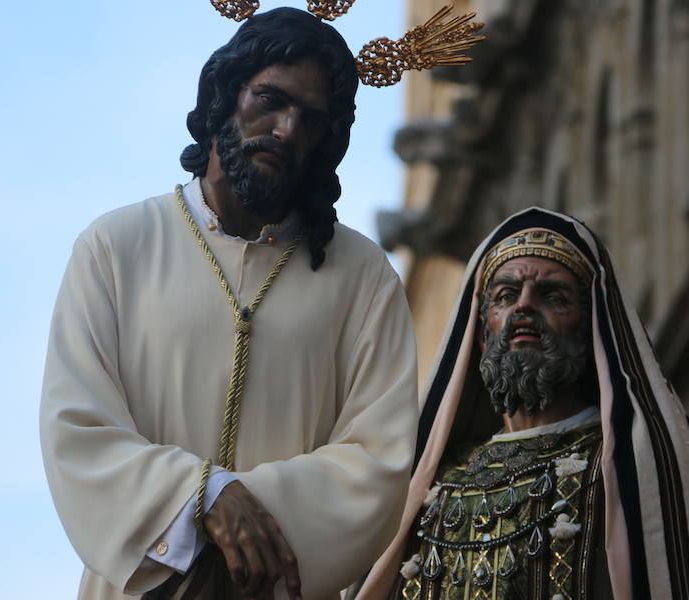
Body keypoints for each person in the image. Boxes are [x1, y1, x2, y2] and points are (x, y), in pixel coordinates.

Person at [40, 8, 418, 600]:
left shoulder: (362, 276)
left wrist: (252, 515)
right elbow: (78, 427)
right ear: (225, 93)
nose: (287, 128)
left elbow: (381, 459)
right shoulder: (117, 246)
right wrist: (202, 497)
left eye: (311, 119)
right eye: (270, 99)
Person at [356, 208, 689, 599]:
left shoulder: (625, 469)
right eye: (506, 296)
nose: (524, 308)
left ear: (590, 329)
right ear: (483, 328)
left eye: (552, 297)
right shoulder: (432, 490)